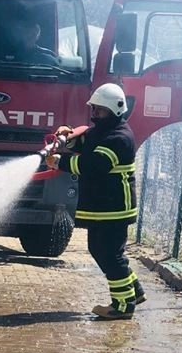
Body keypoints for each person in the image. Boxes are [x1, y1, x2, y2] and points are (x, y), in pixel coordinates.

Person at [45, 83, 145, 320]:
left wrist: (60, 162)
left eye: (99, 111)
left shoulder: (119, 138)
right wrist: (67, 138)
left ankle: (122, 306)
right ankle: (134, 292)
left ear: (114, 110)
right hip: (105, 206)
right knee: (108, 252)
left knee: (108, 254)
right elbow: (85, 142)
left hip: (113, 208)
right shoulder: (103, 131)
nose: (94, 115)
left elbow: (94, 165)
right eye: (94, 109)